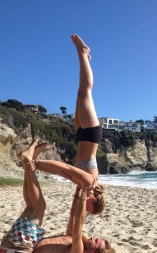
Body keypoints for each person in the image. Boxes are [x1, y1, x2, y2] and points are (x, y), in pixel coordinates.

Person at [0, 140, 115, 253]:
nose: (94, 237)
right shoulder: (72, 239)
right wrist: (77, 192)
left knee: (39, 207)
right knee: (31, 206)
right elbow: (73, 215)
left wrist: (83, 193)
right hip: (12, 249)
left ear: (94, 251)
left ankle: (28, 161)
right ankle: (28, 162)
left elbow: (78, 222)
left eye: (96, 241)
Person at [32, 34, 105, 214]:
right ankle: (83, 52)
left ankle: (85, 59)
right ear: (94, 201)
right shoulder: (89, 182)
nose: (86, 210)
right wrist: (36, 163)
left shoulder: (82, 188)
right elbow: (64, 167)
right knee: (84, 92)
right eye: (89, 209)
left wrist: (35, 164)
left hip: (81, 135)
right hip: (91, 134)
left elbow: (63, 173)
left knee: (79, 93)